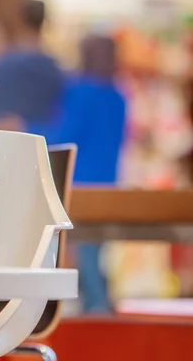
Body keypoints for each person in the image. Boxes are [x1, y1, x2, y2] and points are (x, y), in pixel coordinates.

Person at [56, 34, 126, 313]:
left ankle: (98, 310)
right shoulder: (119, 96)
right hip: (108, 181)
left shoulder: (79, 91)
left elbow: (66, 135)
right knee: (95, 252)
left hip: (79, 180)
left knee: (83, 252)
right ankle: (99, 305)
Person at [0, 0, 64, 141]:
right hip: (43, 143)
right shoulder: (54, 67)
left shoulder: (5, 63)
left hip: (7, 142)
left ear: (19, 21)